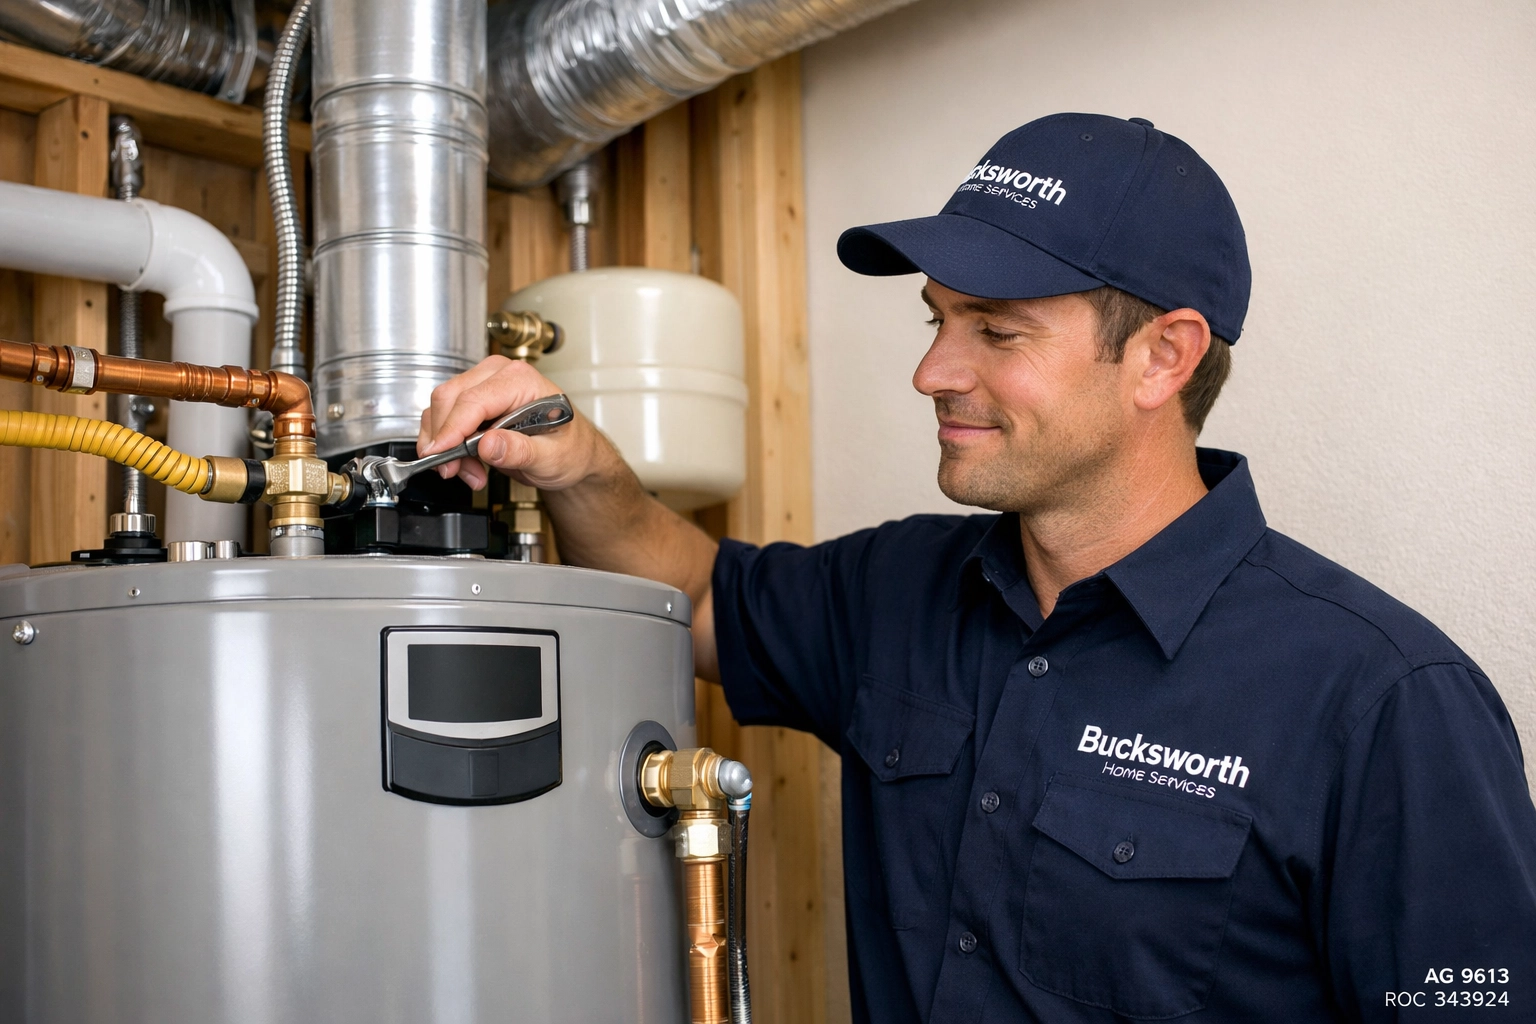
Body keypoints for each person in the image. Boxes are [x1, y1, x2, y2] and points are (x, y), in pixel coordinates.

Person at [418, 113, 1536, 1022]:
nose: (931, 372)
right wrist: (576, 462)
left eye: (995, 333)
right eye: (936, 320)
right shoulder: (902, 592)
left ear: (1164, 356)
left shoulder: (1387, 702)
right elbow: (698, 598)